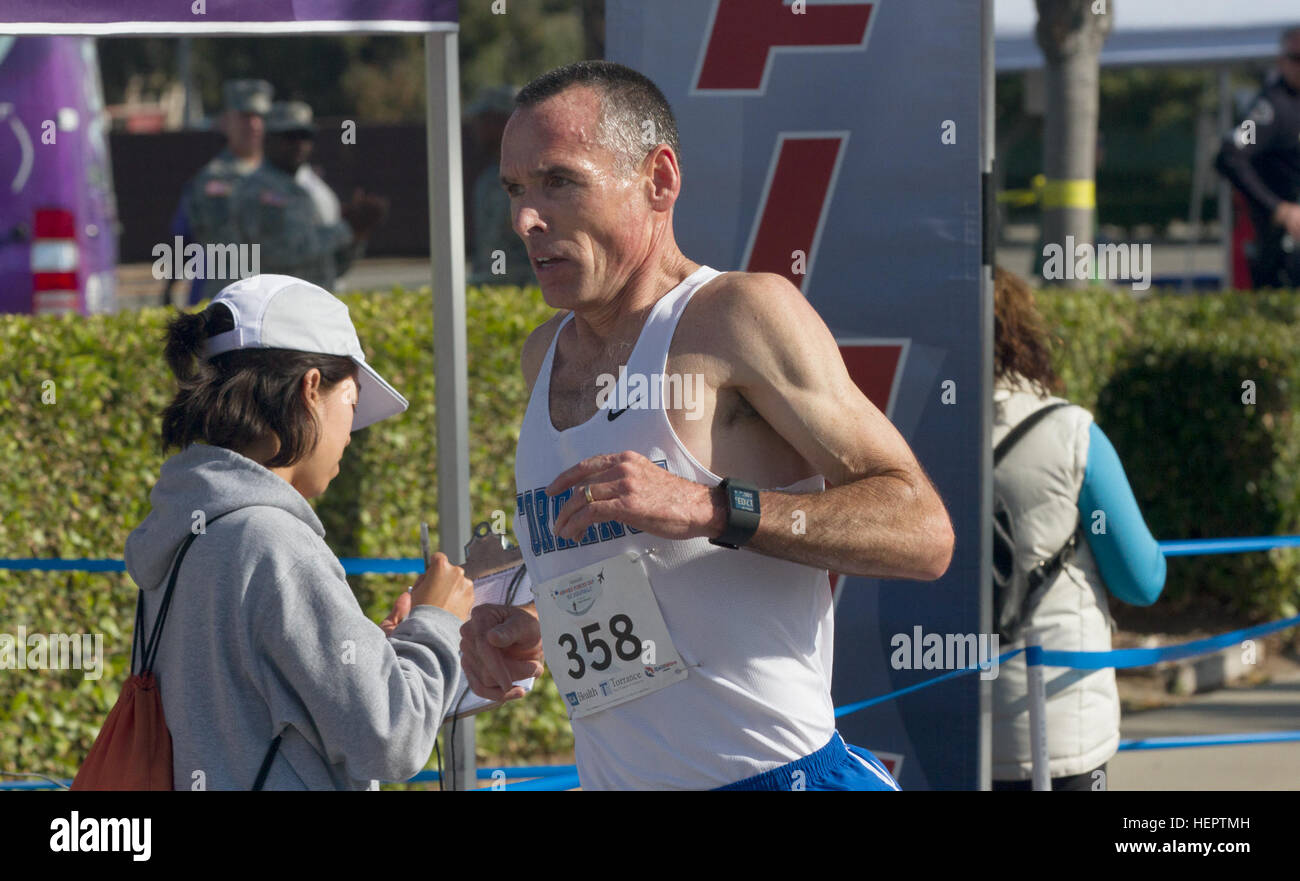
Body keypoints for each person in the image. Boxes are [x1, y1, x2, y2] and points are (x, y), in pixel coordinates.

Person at [459, 61, 955, 791]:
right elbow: (631, 586)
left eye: (558, 181)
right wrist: (535, 630)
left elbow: (924, 530)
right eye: (514, 189)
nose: (525, 219)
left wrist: (711, 506)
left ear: (659, 180)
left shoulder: (737, 316)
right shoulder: (545, 353)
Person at [124, 273, 473, 790]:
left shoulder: (185, 526)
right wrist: (436, 622)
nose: (349, 438)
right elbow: (390, 739)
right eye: (351, 406)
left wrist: (383, 655)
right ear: (311, 389)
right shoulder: (273, 542)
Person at [989, 267, 1166, 791]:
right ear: (1024, 334)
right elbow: (1142, 579)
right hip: (1055, 729)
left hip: (939, 721)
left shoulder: (912, 429)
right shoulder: (1068, 433)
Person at [231, 101, 388, 290]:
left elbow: (332, 265)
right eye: (290, 137)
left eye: (305, 136)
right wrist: (346, 229)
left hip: (317, 303)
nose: (299, 144)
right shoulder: (254, 190)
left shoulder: (318, 190)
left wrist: (357, 236)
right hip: (275, 305)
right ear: (269, 139)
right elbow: (277, 254)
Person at [163, 79, 273, 307]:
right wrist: (170, 287)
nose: (252, 124)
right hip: (218, 302)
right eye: (244, 116)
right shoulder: (206, 181)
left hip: (270, 302)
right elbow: (182, 239)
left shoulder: (289, 182)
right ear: (226, 122)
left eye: (259, 117)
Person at [1214, 26, 1300, 289]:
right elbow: (1230, 155)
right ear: (1282, 62)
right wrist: (1278, 208)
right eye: (1298, 59)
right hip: (1285, 253)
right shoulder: (1271, 109)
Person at [465, 85, 532, 286]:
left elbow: (499, 244)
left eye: (484, 119)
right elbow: (491, 247)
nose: (477, 127)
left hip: (522, 288)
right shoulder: (489, 178)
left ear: (506, 120)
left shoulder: (532, 175)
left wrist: (496, 278)